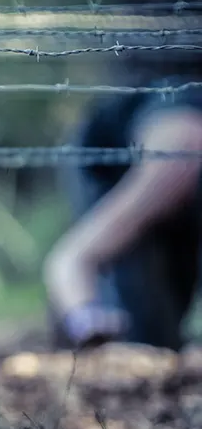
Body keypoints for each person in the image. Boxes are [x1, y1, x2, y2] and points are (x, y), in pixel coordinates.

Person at [44, 83, 202, 351]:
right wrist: (87, 321)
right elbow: (70, 259)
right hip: (123, 161)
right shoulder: (178, 156)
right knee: (144, 337)